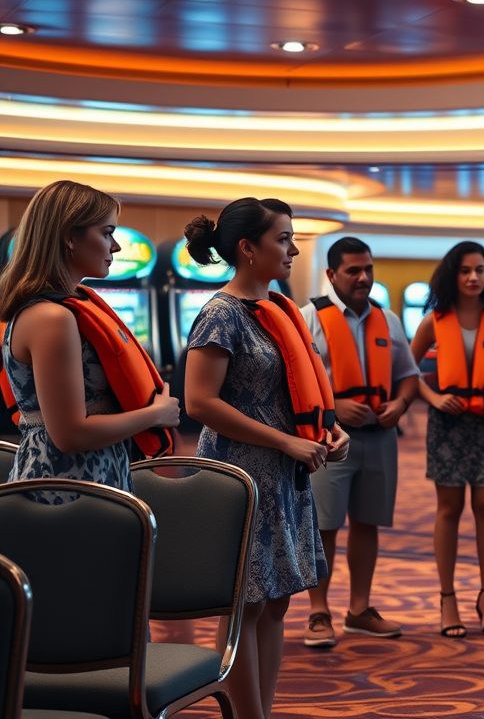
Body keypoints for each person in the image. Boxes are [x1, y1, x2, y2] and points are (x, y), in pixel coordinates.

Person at [182, 197, 350, 719]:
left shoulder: (278, 308)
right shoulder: (220, 313)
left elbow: (296, 390)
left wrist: (329, 428)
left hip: (286, 470)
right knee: (246, 605)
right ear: (247, 249)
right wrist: (284, 441)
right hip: (240, 474)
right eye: (283, 239)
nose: (294, 249)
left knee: (275, 601)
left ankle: (264, 710)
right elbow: (199, 402)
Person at [0, 180, 179, 499]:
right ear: (70, 237)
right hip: (63, 489)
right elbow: (70, 434)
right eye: (107, 232)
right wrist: (156, 414)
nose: (116, 247)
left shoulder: (66, 305)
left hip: (87, 480)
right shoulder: (51, 317)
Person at [300, 237, 420, 647]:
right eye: (353, 270)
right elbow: (296, 383)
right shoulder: (309, 317)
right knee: (325, 525)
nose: (364, 277)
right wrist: (335, 405)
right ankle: (318, 612)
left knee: (368, 523)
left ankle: (359, 610)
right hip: (330, 440)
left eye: (368, 268)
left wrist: (401, 405)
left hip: (380, 437)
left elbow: (408, 374)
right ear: (332, 274)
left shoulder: (389, 319)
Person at [410, 240, 484, 638]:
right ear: (453, 275)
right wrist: (434, 397)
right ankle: (447, 597)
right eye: (465, 270)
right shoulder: (435, 319)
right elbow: (407, 371)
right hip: (447, 425)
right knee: (449, 508)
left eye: (480, 270)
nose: (473, 277)